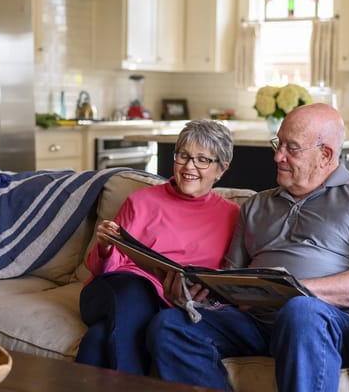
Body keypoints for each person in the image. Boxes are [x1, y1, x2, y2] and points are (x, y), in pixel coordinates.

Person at [146, 103, 349, 392]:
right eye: (278, 143)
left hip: (328, 324)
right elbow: (229, 284)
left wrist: (292, 289)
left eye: (291, 148)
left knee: (301, 311)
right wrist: (197, 296)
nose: (277, 156)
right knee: (170, 325)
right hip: (257, 322)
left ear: (325, 155)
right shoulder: (258, 204)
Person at [74, 119, 241, 375]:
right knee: (134, 289)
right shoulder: (140, 201)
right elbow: (103, 269)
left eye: (202, 160)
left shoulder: (233, 216)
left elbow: (226, 281)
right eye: (183, 156)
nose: (189, 167)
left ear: (222, 169)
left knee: (97, 340)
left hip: (168, 305)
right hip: (113, 292)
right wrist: (105, 247)